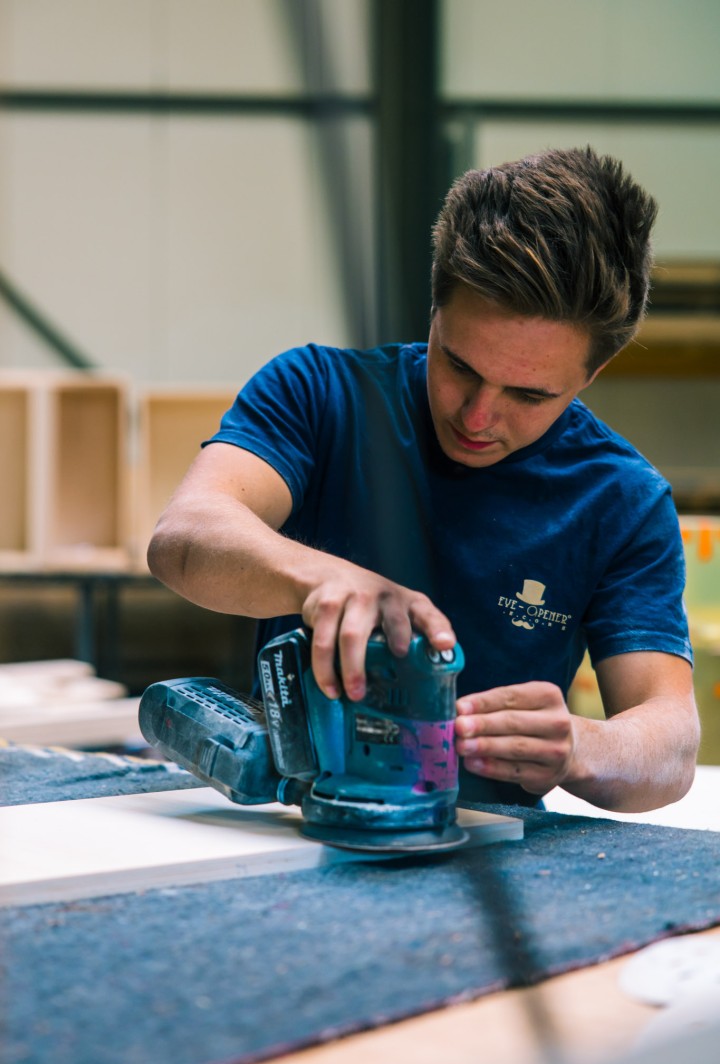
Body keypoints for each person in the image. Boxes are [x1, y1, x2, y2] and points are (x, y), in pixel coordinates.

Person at [148, 146, 699, 813]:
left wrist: (581, 746)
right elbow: (185, 535)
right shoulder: (320, 395)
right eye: (460, 366)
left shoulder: (622, 500)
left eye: (529, 395)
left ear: (591, 375)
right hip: (297, 834)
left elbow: (670, 746)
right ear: (434, 310)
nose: (478, 415)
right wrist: (322, 580)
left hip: (494, 850)